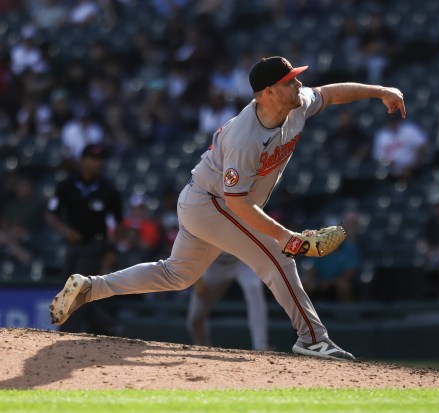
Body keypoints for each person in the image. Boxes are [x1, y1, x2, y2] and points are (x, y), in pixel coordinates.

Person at [49, 56, 406, 361]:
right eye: (288, 81)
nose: (298, 84)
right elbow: (237, 203)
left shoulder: (296, 103)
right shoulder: (244, 137)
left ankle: (90, 288)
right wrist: (287, 237)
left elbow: (330, 94)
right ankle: (313, 338)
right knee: (278, 256)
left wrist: (380, 92)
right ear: (268, 93)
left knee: (178, 275)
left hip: (208, 202)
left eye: (295, 77)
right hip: (212, 202)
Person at [45, 144, 123, 334]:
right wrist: (65, 231)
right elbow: (50, 214)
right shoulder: (67, 185)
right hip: (72, 245)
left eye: (100, 160)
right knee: (74, 290)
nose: (97, 163)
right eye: (93, 159)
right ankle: (110, 328)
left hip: (96, 245)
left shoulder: (108, 189)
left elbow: (117, 223)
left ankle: (66, 332)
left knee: (76, 288)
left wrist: (112, 249)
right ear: (82, 160)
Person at [186, 252, 269, 351]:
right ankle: (203, 350)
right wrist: (197, 278)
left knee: (253, 287)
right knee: (195, 318)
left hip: (242, 261)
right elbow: (190, 243)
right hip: (213, 265)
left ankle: (261, 347)